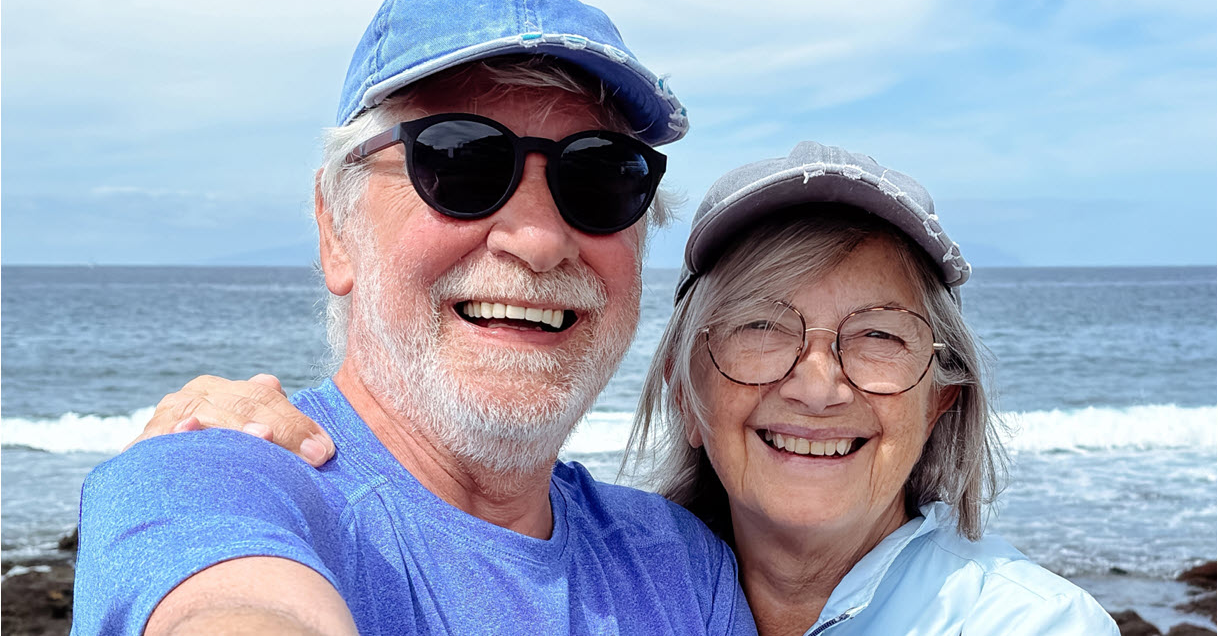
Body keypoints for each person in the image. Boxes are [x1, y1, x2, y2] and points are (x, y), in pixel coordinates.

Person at [146, 143, 1120, 634]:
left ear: (940, 399)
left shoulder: (1020, 623)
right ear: (692, 392)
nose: (816, 381)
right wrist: (228, 451)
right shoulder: (660, 576)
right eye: (760, 331)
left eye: (876, 338)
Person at [72, 0, 755, 634]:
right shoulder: (206, 475)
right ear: (335, 228)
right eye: (460, 162)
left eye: (603, 176)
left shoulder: (686, 568)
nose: (540, 241)